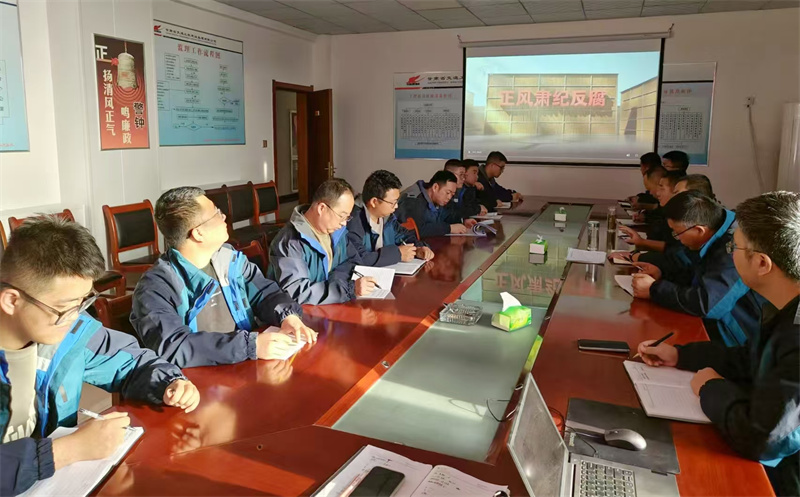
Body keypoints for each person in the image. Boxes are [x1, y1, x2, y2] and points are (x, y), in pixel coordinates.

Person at [0, 217, 200, 496]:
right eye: (64, 309)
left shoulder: (68, 332)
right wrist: (65, 451)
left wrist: (169, 382)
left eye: (83, 302)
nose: (74, 318)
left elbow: (132, 361)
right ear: (12, 300)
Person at [635, 191, 800, 497]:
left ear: (761, 263)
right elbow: (750, 359)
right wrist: (680, 355)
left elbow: (766, 439)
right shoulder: (786, 310)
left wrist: (711, 388)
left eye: (733, 246)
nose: (728, 254)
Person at [131, 187, 317, 368]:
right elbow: (176, 345)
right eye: (216, 214)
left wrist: (287, 315)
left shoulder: (228, 259)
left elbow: (264, 292)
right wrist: (250, 346)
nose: (224, 217)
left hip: (247, 364)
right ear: (198, 233)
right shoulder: (156, 288)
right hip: (201, 379)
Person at [632, 191, 763, 347]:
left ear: (699, 230)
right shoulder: (717, 227)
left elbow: (708, 305)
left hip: (734, 339)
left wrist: (654, 289)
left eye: (677, 233)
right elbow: (697, 274)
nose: (677, 239)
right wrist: (662, 274)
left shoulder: (734, 247)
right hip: (712, 325)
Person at [269, 178, 375, 304]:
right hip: (298, 312)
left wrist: (335, 281)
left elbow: (354, 261)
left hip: (332, 304)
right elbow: (298, 291)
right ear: (321, 208)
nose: (344, 223)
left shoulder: (336, 231)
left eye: (347, 217)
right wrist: (346, 289)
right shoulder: (291, 242)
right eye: (341, 216)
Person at [347, 170, 434, 267]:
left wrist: (419, 248)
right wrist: (397, 254)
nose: (396, 206)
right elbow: (359, 258)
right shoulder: (354, 220)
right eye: (392, 203)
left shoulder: (387, 218)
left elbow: (405, 236)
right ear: (374, 202)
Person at [397, 170, 474, 238]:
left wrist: (463, 221)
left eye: (452, 194)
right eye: (448, 193)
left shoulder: (438, 199)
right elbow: (416, 230)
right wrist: (449, 228)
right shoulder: (413, 200)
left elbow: (449, 215)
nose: (449, 197)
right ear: (435, 187)